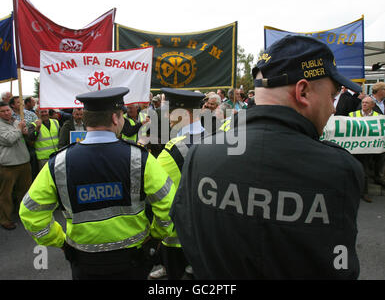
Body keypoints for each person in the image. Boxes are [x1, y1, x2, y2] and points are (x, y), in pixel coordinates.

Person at [171, 35, 364, 279]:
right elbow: (340, 265)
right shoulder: (340, 169)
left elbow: (186, 233)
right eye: (332, 95)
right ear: (303, 90)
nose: (334, 107)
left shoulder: (200, 152)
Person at [19, 87, 176, 280]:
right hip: (133, 259)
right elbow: (169, 204)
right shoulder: (140, 158)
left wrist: (60, 241)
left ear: (85, 120)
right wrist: (157, 235)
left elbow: (30, 212)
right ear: (115, 119)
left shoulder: (59, 162)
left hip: (84, 261)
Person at [155, 88, 205, 280]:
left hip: (178, 240)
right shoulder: (217, 138)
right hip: (208, 235)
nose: (167, 115)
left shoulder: (171, 151)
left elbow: (155, 195)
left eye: (171, 111)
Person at [0, 101, 31, 230]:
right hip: (8, 165)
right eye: (3, 111)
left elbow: (22, 137)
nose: (7, 113)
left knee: (24, 192)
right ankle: (5, 219)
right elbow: (8, 140)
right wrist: (19, 129)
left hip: (24, 162)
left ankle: (24, 215)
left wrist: (25, 132)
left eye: (8, 110)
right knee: (5, 195)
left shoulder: (15, 122)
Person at [348, 96, 379, 203]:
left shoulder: (378, 116)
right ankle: (352, 191)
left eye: (367, 103)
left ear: (372, 105)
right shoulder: (353, 114)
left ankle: (364, 193)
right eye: (363, 102)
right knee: (352, 170)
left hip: (367, 148)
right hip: (354, 147)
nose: (364, 104)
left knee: (365, 171)